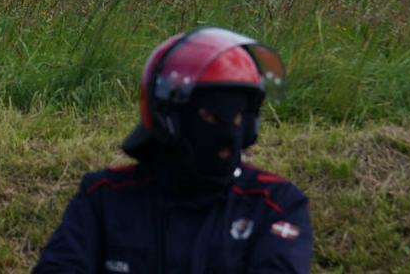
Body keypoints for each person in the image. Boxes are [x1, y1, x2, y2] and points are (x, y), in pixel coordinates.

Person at [34, 27, 312, 273]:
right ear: (168, 119)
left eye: (238, 117)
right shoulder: (104, 199)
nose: (228, 132)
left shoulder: (273, 204)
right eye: (212, 116)